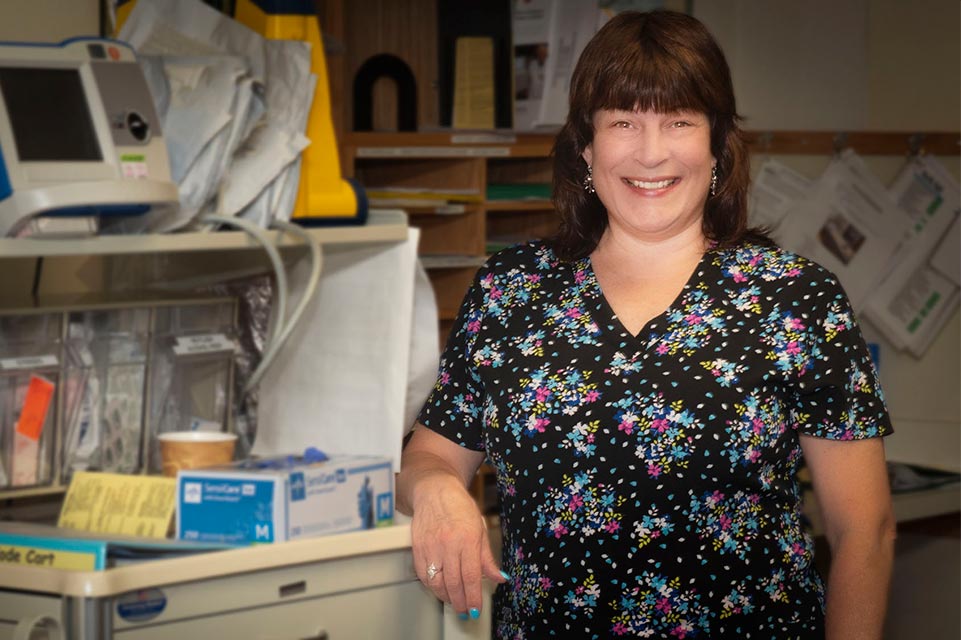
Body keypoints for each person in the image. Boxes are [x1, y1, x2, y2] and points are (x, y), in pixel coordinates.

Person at [397, 10, 895, 639]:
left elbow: (865, 531)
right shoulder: (510, 291)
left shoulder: (795, 299)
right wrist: (437, 490)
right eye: (623, 122)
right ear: (586, 145)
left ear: (717, 144)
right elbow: (430, 455)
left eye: (679, 121)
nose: (651, 152)